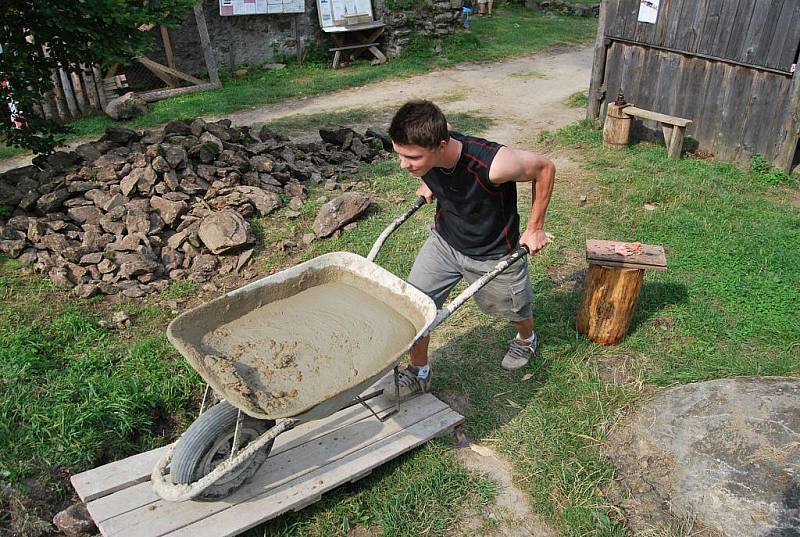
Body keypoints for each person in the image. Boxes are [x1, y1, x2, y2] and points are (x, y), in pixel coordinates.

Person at [384, 100, 555, 401]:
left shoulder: (494, 164)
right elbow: (444, 128)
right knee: (414, 306)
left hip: (493, 252)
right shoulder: (435, 140)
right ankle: (419, 372)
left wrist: (535, 227)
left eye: (412, 158)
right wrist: (429, 181)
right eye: (399, 155)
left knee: (514, 309)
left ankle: (526, 339)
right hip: (444, 242)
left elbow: (544, 168)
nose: (403, 164)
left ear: (439, 146)